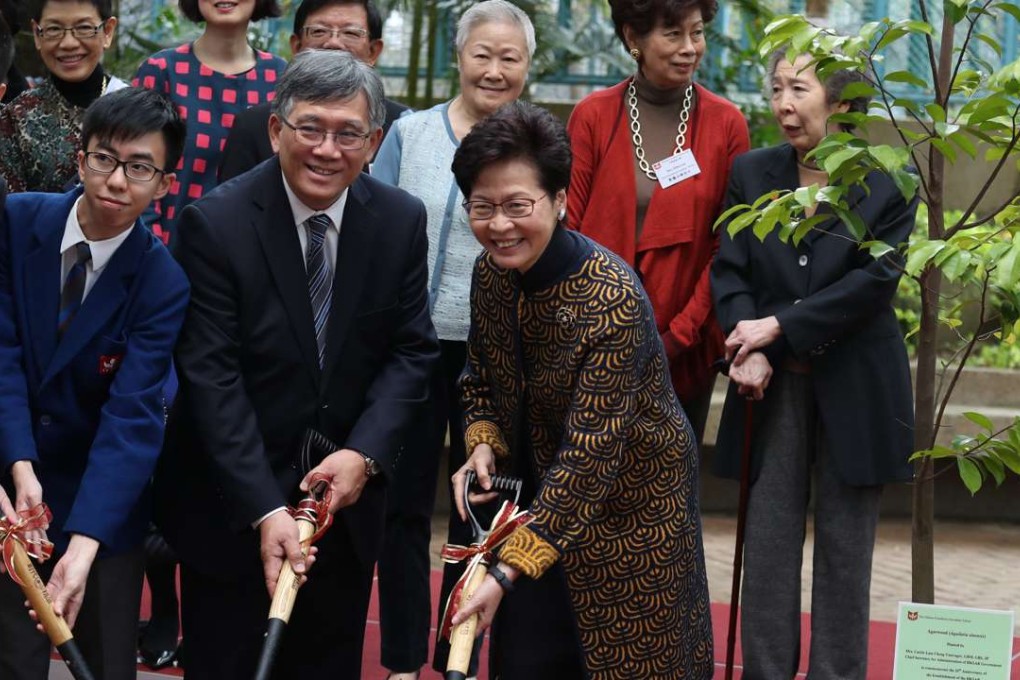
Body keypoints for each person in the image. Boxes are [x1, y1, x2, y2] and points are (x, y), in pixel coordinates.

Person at [152, 49, 439, 680]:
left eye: (348, 134)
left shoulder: (399, 220)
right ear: (277, 129)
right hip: (233, 513)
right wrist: (265, 508)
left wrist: (364, 454)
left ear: (375, 142)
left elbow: (410, 350)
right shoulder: (215, 224)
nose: (327, 150)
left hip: (342, 513)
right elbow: (211, 377)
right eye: (310, 128)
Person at [449, 101, 713, 679]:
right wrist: (483, 441)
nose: (499, 226)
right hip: (534, 504)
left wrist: (506, 571)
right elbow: (479, 377)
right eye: (482, 207)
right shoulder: (490, 274)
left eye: (518, 205)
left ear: (561, 200)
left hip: (632, 515)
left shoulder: (610, 296)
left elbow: (591, 457)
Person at [710, 53, 917, 679]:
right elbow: (730, 272)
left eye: (799, 89)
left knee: (846, 549)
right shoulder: (752, 172)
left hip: (858, 388)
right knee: (767, 543)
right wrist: (748, 349)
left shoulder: (890, 179)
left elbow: (873, 282)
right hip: (773, 387)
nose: (783, 104)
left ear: (843, 103)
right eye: (776, 88)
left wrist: (777, 328)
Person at [0, 86, 189, 680]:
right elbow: (2, 355)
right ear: (80, 158)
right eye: (104, 158)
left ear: (165, 184)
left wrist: (84, 542)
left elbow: (132, 416)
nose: (116, 180)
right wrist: (19, 466)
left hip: (101, 495)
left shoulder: (163, 282)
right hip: (9, 477)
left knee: (104, 660)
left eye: (140, 167)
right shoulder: (16, 221)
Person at [372, 3, 534, 674]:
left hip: (494, 355)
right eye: (481, 54)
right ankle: (404, 659)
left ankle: (456, 657)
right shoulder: (409, 133)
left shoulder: (537, 146)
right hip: (411, 346)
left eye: (509, 58)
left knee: (479, 510)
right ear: (458, 57)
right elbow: (373, 224)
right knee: (402, 507)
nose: (494, 70)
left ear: (527, 66)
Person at [566, 0, 749, 442]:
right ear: (633, 38)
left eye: (697, 32)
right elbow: (567, 231)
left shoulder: (726, 124)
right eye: (673, 34)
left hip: (684, 351)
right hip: (593, 343)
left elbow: (728, 246)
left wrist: (676, 339)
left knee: (670, 477)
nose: (690, 47)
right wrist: (596, 331)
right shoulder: (593, 116)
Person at [133, 0, 286, 247]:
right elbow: (135, 168)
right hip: (172, 250)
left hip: (255, 254)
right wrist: (153, 249)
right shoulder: (162, 71)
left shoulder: (281, 76)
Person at [219, 0, 408, 182]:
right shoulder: (253, 125)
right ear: (296, 46)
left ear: (374, 50)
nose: (334, 43)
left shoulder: (403, 128)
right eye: (319, 31)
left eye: (350, 33)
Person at [0, 0, 128, 193]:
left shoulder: (138, 110)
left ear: (108, 31)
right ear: (37, 34)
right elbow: (12, 207)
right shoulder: (16, 118)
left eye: (84, 28)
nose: (69, 43)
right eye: (54, 29)